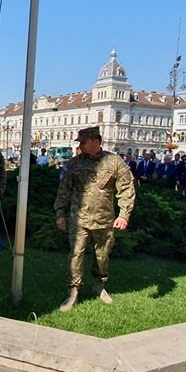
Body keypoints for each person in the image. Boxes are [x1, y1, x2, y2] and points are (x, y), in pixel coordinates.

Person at [55, 126, 135, 309]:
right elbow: (64, 190)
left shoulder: (114, 162)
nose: (80, 146)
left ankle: (99, 285)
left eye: (83, 142)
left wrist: (124, 215)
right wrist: (60, 213)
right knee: (76, 254)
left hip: (104, 219)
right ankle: (73, 291)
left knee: (102, 255)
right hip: (79, 218)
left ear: (95, 142)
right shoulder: (74, 163)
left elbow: (126, 188)